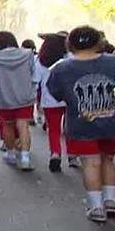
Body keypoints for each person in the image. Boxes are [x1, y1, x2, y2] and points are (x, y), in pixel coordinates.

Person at [46, 26, 115, 222]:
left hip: (81, 123)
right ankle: (111, 201)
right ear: (98, 41)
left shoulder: (61, 68)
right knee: (107, 159)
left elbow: (56, 93)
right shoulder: (112, 62)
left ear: (70, 44)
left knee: (90, 163)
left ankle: (97, 207)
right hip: (111, 121)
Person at [0, 31, 37, 170]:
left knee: (8, 125)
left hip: (4, 96)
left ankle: (10, 154)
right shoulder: (27, 54)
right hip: (25, 95)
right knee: (23, 126)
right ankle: (25, 157)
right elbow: (32, 72)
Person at [34, 34, 68, 172]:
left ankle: (55, 153)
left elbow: (36, 81)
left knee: (53, 130)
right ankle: (73, 155)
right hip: (68, 99)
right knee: (70, 129)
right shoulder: (69, 59)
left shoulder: (40, 61)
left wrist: (37, 101)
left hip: (50, 100)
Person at [22, 38, 39, 126]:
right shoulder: (38, 56)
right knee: (37, 98)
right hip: (37, 79)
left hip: (27, 80)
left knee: (30, 100)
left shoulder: (23, 57)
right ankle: (39, 116)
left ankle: (30, 116)